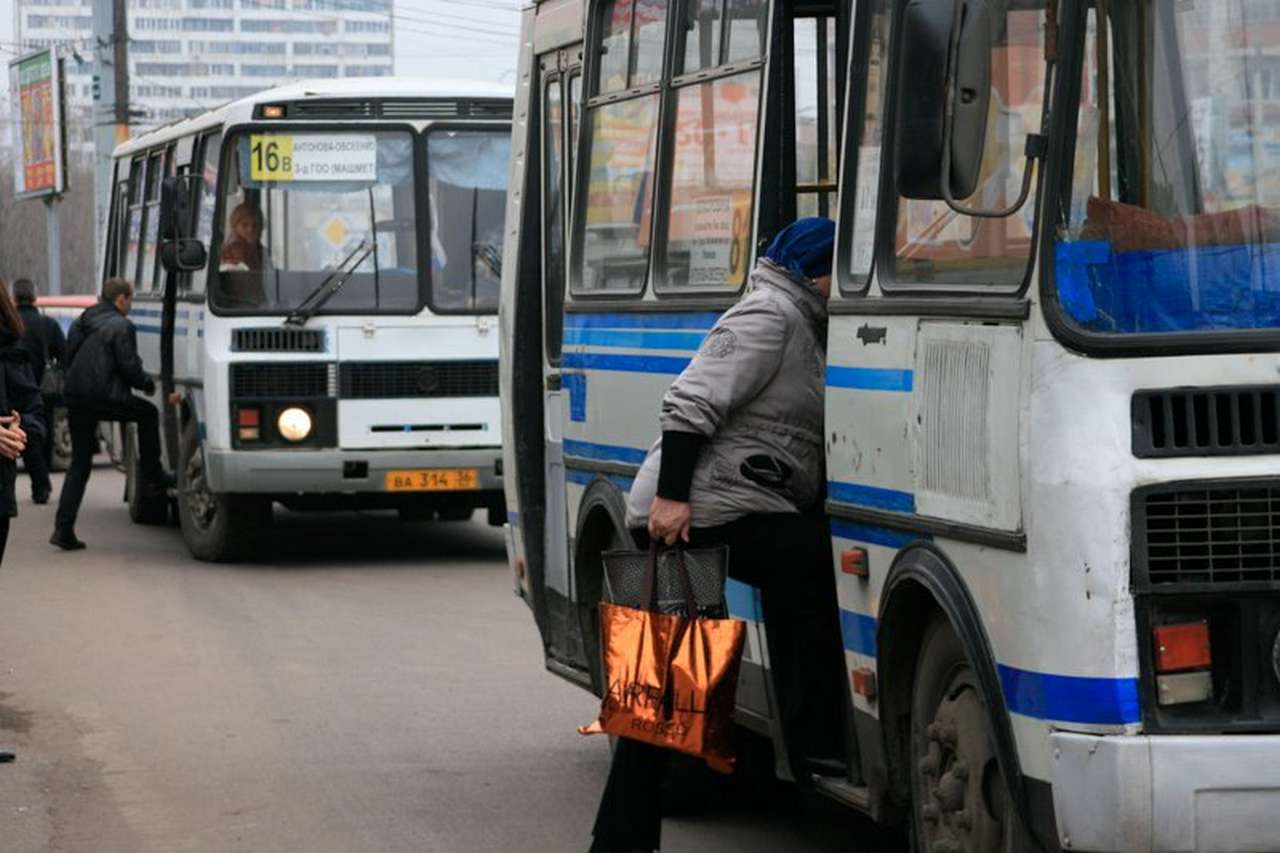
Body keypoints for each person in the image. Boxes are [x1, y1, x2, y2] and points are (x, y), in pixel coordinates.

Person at [589, 218, 848, 853]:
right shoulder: (769, 314)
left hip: (736, 504)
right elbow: (689, 402)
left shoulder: (804, 321)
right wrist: (674, 499)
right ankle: (814, 740)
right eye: (839, 270)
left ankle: (810, 740)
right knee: (672, 680)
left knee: (687, 671)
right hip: (692, 514)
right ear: (816, 271)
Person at [51, 277, 167, 551]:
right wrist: (148, 385)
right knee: (148, 414)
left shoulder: (83, 320)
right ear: (121, 299)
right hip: (105, 396)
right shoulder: (121, 326)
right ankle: (153, 478)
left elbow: (70, 354)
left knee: (79, 464)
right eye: (131, 300)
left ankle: (63, 529)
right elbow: (129, 367)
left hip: (76, 396)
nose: (131, 306)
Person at [13, 278, 66, 504]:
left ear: (14, 298)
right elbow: (64, 356)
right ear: (35, 297)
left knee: (16, 435)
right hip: (43, 389)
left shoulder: (8, 322)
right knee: (41, 434)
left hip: (12, 387)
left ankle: (33, 485)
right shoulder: (48, 324)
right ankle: (41, 485)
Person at [219, 202, 265, 272]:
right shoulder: (230, 252)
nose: (250, 229)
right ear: (235, 227)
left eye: (255, 225)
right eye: (244, 225)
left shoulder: (262, 252)